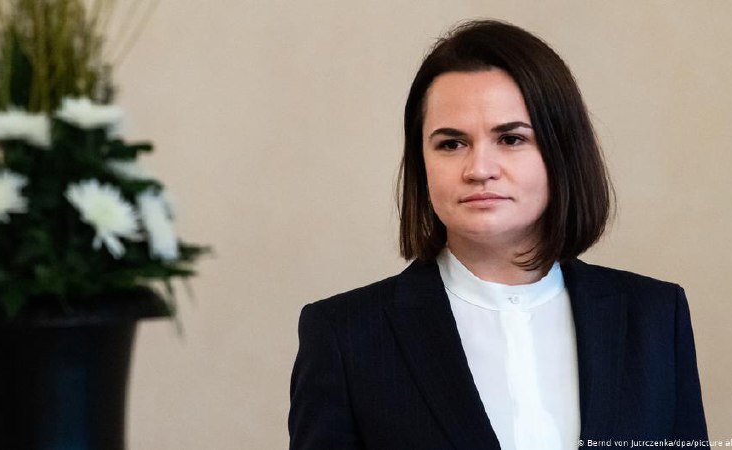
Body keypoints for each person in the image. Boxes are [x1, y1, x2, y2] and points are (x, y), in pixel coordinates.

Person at [288, 20, 708, 450]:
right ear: (421, 163)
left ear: (562, 152)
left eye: (510, 138)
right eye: (451, 144)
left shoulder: (656, 316)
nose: (479, 169)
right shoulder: (344, 335)